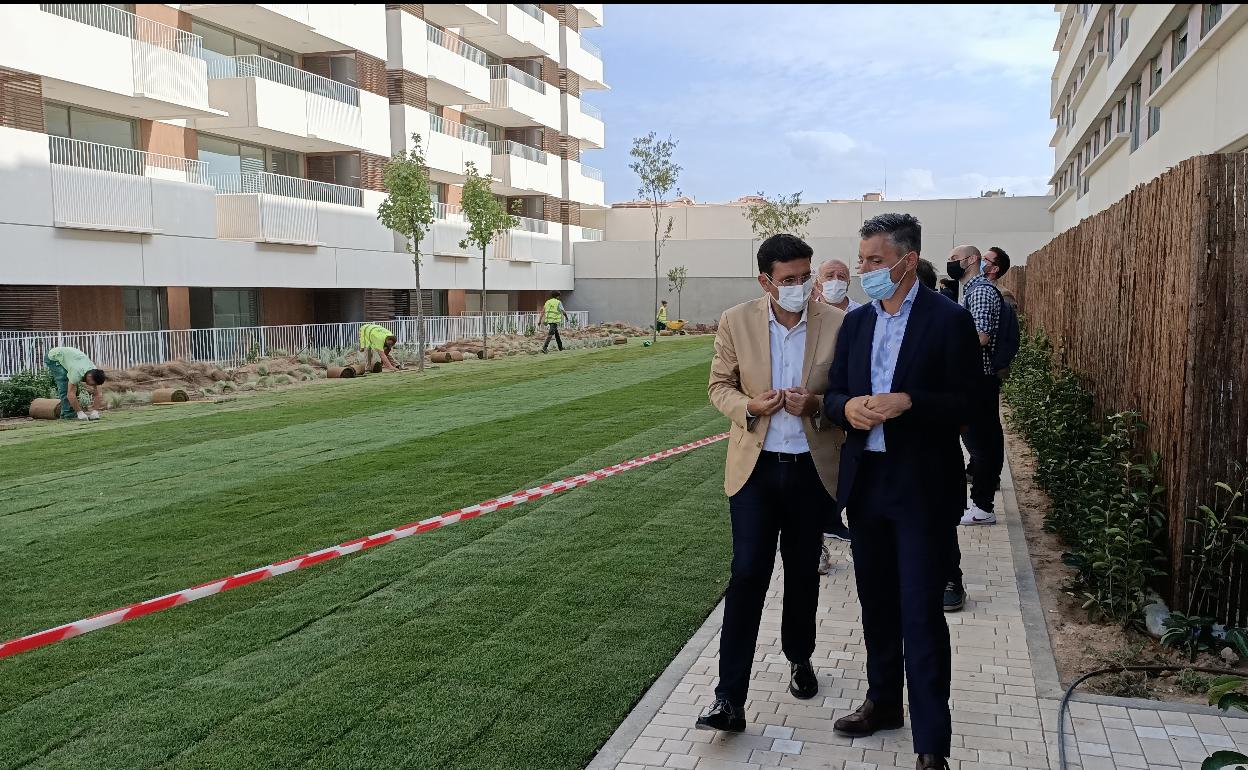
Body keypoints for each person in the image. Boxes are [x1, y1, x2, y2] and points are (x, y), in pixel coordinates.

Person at [824, 214, 979, 770]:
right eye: (861, 259)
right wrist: (846, 407)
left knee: (920, 613)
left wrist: (908, 401)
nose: (863, 271)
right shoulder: (859, 323)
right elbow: (832, 394)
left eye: (872, 261)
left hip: (922, 490)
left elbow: (970, 403)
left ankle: (932, 743)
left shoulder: (948, 321)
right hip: (867, 487)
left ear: (906, 262)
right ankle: (883, 702)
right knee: (877, 606)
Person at [699, 233, 845, 734]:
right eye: (789, 280)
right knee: (746, 576)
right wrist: (749, 407)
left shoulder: (838, 323)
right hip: (755, 471)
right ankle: (728, 698)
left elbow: (850, 393)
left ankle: (800, 658)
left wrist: (819, 406)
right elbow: (719, 386)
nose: (801, 287)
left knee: (803, 574)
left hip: (810, 469)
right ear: (765, 280)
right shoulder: (736, 321)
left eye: (806, 277)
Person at [947, 245, 1004, 529]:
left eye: (954, 259)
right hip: (979, 379)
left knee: (980, 445)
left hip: (979, 379)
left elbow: (980, 336)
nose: (950, 264)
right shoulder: (972, 290)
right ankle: (982, 503)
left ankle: (982, 506)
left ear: (971, 260)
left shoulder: (979, 291)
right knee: (984, 443)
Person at [44, 346, 106, 421]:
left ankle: (64, 414)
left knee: (73, 386)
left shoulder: (95, 372)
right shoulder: (77, 372)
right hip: (54, 357)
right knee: (65, 385)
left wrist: (95, 411)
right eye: (93, 384)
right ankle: (68, 415)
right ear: (89, 376)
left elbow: (98, 394)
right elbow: (70, 394)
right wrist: (80, 412)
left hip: (71, 357)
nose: (93, 386)